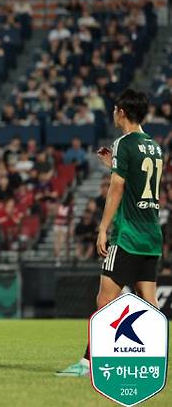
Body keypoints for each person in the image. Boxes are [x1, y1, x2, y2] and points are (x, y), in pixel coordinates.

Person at [56, 89, 163, 376]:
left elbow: (117, 188)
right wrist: (113, 164)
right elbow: (138, 182)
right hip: (151, 233)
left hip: (127, 234)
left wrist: (102, 229)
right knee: (149, 302)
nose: (113, 113)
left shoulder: (124, 143)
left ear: (123, 112)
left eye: (116, 109)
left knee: (105, 301)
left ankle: (88, 363)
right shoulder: (154, 146)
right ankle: (153, 361)